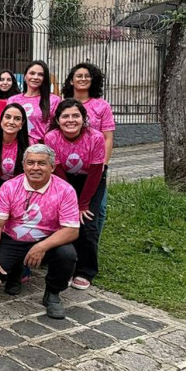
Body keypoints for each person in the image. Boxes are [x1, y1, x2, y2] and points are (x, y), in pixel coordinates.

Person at [0, 144, 80, 320]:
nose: (35, 168)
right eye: (30, 163)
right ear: (23, 165)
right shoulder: (9, 187)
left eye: (42, 163)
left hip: (48, 239)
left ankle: (52, 293)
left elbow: (72, 230)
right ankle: (16, 272)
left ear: (52, 167)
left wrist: (41, 246)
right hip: (14, 238)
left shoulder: (65, 190)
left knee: (67, 254)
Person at [44, 99, 106, 291]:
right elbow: (59, 169)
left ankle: (86, 270)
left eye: (76, 116)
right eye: (65, 116)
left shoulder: (95, 137)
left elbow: (97, 171)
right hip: (64, 179)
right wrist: (71, 200)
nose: (71, 120)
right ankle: (67, 262)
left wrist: (83, 204)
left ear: (84, 118)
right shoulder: (51, 137)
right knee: (64, 220)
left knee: (86, 223)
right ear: (58, 119)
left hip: (91, 181)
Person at [61, 62, 115, 237]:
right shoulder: (63, 105)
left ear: (93, 80)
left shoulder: (102, 106)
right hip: (66, 167)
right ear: (71, 81)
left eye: (87, 76)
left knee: (97, 207)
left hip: (95, 166)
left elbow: (107, 137)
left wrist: (104, 164)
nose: (83, 79)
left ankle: (93, 245)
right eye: (79, 76)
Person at [0, 103, 32, 188]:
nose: (11, 122)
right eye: (7, 117)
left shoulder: (31, 144)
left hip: (22, 186)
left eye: (17, 119)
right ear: (1, 120)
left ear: (22, 124)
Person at [8, 61, 61, 142]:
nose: (35, 77)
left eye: (40, 74)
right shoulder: (13, 100)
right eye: (32, 73)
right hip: (17, 146)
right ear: (25, 76)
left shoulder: (54, 100)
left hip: (42, 148)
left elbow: (57, 128)